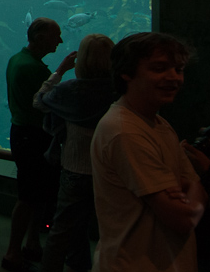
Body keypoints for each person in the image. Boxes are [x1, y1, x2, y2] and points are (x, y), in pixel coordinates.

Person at [92, 32, 206, 271]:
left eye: (179, 69)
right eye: (159, 68)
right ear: (126, 72)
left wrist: (191, 189)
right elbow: (183, 219)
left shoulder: (159, 123)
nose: (174, 77)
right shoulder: (125, 131)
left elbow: (191, 192)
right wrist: (194, 187)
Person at [32, 33, 115, 272]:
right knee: (108, 230)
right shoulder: (117, 90)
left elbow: (38, 101)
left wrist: (59, 71)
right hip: (108, 173)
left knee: (62, 230)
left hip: (74, 170)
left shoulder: (69, 89)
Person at [2, 17, 63, 272]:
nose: (59, 40)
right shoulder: (36, 69)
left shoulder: (16, 59)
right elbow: (52, 104)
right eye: (55, 35)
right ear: (39, 38)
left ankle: (32, 242)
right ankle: (13, 252)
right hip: (34, 136)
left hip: (21, 132)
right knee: (28, 196)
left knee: (35, 194)